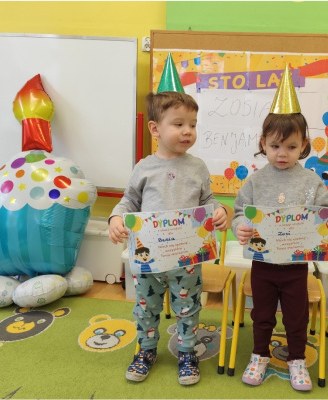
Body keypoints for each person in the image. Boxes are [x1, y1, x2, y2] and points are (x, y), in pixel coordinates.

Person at [108, 54, 227, 386]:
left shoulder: (198, 167)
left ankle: (187, 352)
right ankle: (146, 350)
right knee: (146, 308)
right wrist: (116, 218)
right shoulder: (144, 167)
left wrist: (219, 211)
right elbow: (129, 201)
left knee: (188, 307)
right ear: (155, 128)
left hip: (187, 259)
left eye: (193, 124)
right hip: (148, 259)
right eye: (178, 124)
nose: (188, 131)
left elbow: (207, 201)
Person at [230, 65, 328, 391]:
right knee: (262, 315)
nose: (282, 154)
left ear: (304, 145)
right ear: (263, 143)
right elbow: (239, 214)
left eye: (291, 147)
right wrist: (240, 228)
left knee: (297, 317)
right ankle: (259, 355)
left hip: (296, 267)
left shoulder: (311, 181)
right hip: (263, 264)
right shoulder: (255, 181)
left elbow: (325, 215)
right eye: (275, 146)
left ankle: (296, 359)